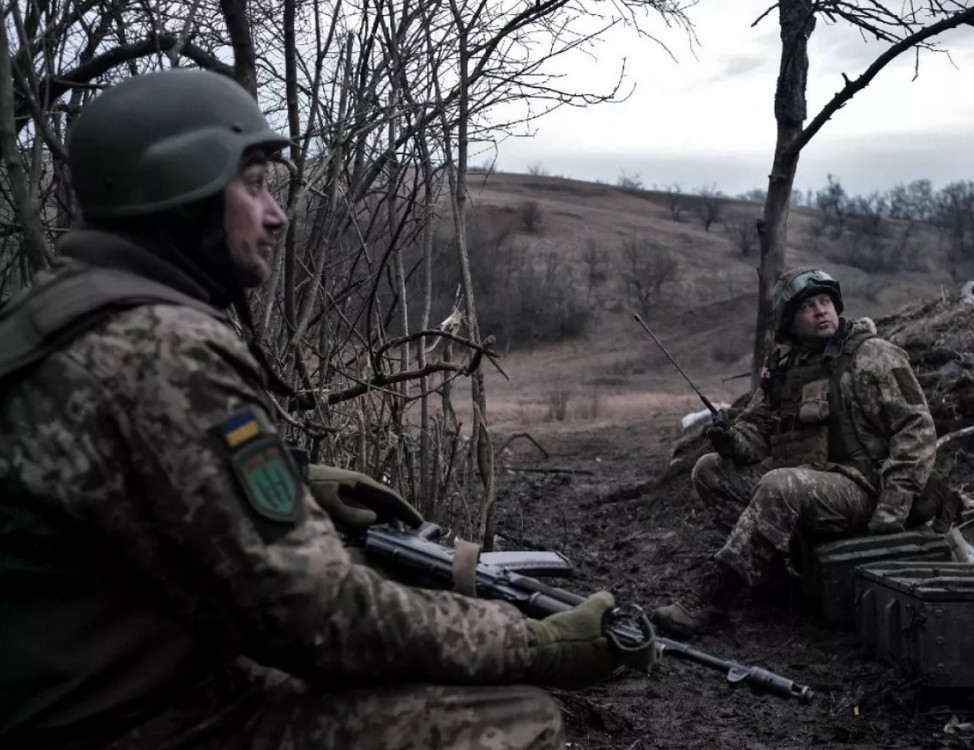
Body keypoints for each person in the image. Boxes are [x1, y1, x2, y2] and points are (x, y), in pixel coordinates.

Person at [0, 69, 635, 750]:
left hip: (77, 687)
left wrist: (296, 480)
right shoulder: (164, 349)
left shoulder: (52, 311)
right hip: (128, 720)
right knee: (514, 719)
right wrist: (534, 641)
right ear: (178, 191)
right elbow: (320, 617)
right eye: (253, 185)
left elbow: (131, 488)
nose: (276, 214)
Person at [651, 268, 937, 638]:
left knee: (781, 484)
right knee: (709, 470)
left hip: (865, 488)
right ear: (790, 321)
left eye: (825, 302)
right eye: (808, 307)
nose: (821, 311)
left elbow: (916, 429)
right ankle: (773, 584)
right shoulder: (785, 369)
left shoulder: (872, 356)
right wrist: (729, 438)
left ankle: (714, 597)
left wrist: (893, 507)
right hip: (806, 481)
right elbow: (757, 433)